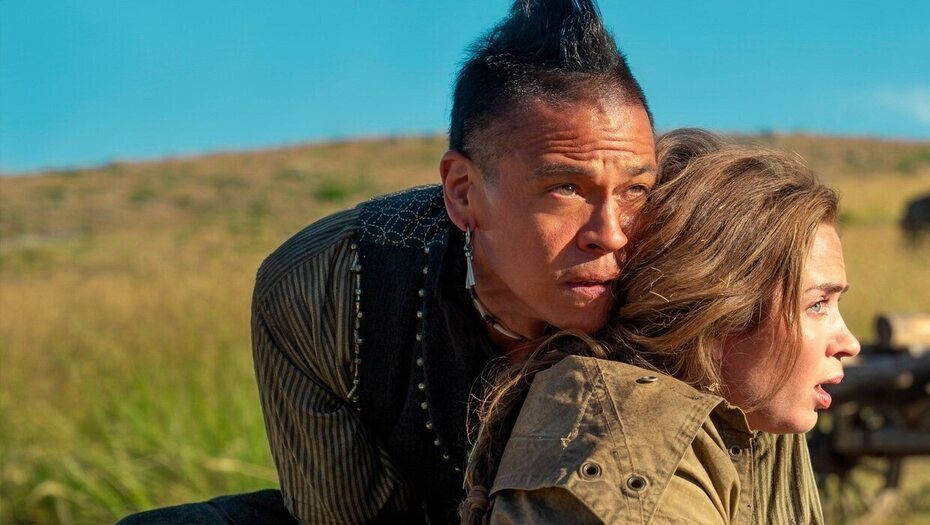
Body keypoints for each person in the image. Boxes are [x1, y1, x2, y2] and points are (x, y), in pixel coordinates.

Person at [121, 1, 664, 523]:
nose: (610, 234)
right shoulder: (327, 285)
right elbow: (340, 514)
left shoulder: (689, 270)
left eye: (635, 189)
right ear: (463, 192)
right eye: (566, 188)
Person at [460, 129, 861, 524]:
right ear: (715, 312)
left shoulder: (754, 424)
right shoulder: (633, 467)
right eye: (817, 304)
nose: (849, 343)